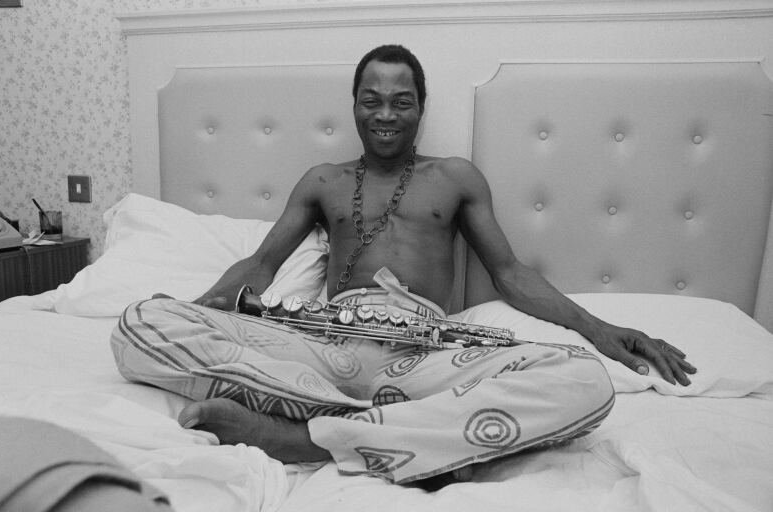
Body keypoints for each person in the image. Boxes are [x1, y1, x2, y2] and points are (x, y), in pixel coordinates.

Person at [111, 44, 695, 487]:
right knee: (140, 323)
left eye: (401, 100)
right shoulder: (322, 181)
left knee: (585, 380)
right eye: (371, 100)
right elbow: (261, 263)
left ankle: (305, 439)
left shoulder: (456, 178)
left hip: (427, 352)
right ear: (355, 106)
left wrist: (601, 330)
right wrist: (205, 308)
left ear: (421, 106)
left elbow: (511, 274)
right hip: (316, 344)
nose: (385, 114)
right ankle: (393, 429)